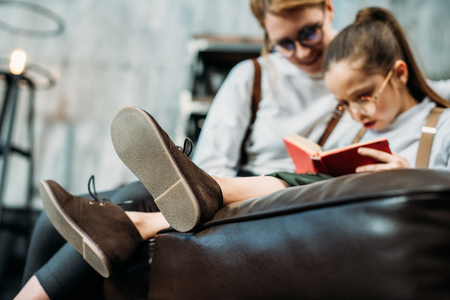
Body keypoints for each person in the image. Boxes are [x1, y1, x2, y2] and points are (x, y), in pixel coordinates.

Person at [17, 0, 358, 299]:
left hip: (289, 198)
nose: (301, 51)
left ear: (328, 8)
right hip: (225, 185)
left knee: (132, 200)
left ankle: (133, 219)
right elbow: (212, 161)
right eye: (283, 43)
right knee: (49, 223)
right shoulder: (253, 76)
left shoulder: (359, 81)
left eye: (309, 33)